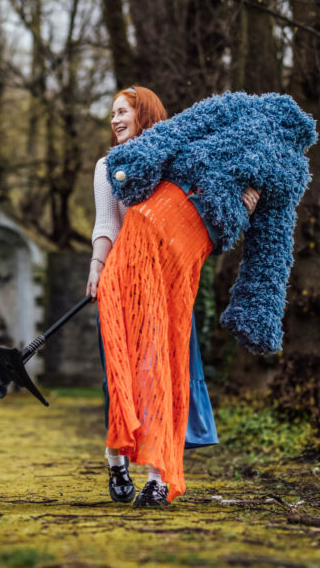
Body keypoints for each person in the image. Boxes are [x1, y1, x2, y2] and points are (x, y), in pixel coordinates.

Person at [86, 86, 259, 506]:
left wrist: (243, 207)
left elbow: (201, 216)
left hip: (166, 291)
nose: (114, 119)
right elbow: (106, 223)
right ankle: (116, 462)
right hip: (123, 287)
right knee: (123, 380)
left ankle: (157, 478)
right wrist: (95, 267)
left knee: (161, 377)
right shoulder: (108, 166)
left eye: (123, 111)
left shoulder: (178, 164)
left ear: (145, 113)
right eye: (112, 113)